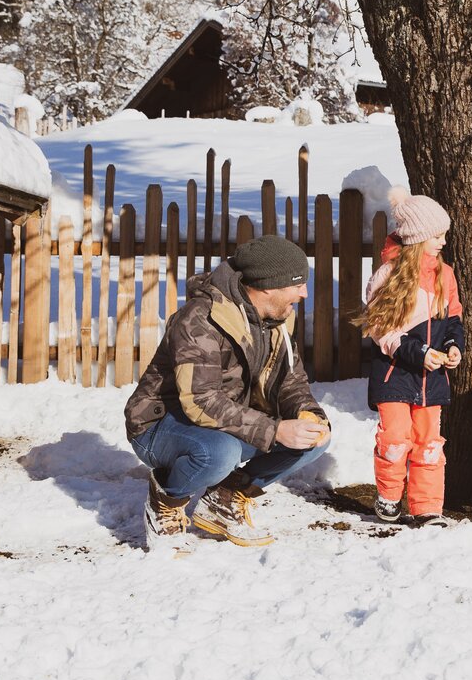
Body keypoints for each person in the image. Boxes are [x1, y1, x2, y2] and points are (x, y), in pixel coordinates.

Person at [125, 235, 331, 552]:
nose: (304, 293)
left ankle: (223, 501)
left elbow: (291, 380)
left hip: (222, 420)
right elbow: (201, 401)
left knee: (314, 439)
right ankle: (165, 500)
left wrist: (308, 414)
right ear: (267, 285)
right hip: (159, 425)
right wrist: (275, 430)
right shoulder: (200, 320)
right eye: (297, 284)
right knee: (218, 453)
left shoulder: (275, 320)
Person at [361, 186, 464, 527]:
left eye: (444, 234)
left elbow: (453, 317)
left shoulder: (444, 275)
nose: (443, 242)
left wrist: (453, 346)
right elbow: (380, 329)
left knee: (429, 443)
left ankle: (427, 507)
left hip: (431, 378)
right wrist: (417, 352)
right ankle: (390, 496)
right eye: (437, 235)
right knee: (395, 439)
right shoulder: (388, 275)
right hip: (395, 374)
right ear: (418, 237)